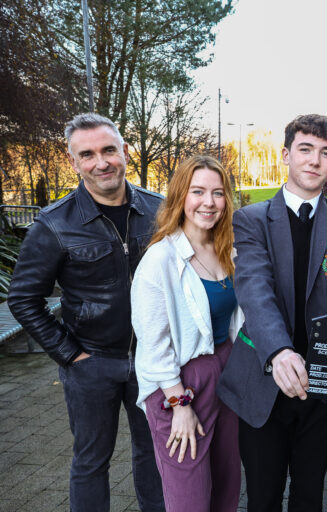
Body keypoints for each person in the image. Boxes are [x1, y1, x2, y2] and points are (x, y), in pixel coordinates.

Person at [216, 114, 327, 512]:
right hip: (263, 379)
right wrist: (279, 352)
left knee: (310, 495)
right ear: (286, 154)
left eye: (326, 153)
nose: (315, 160)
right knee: (263, 496)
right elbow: (254, 289)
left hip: (320, 385)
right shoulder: (251, 219)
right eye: (305, 150)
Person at [7, 113, 165, 512]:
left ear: (124, 151)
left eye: (109, 150)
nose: (101, 162)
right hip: (91, 364)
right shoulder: (53, 223)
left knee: (157, 458)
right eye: (88, 154)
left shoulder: (161, 211)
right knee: (91, 462)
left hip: (155, 361)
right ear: (74, 161)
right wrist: (71, 355)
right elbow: (24, 299)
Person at [131, 155, 243, 511]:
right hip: (178, 383)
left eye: (217, 193)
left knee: (227, 484)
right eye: (198, 192)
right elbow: (153, 343)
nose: (208, 202)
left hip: (225, 370)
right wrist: (179, 404)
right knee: (189, 496)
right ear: (181, 196)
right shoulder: (159, 259)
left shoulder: (227, 251)